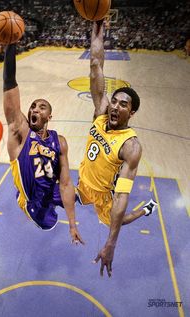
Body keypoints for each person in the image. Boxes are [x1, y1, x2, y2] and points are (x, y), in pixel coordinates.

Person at [76, 20, 157, 277]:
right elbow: (96, 65)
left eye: (124, 105)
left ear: (131, 113)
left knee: (117, 219)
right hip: (83, 181)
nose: (116, 106)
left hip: (104, 195)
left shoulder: (131, 146)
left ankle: (147, 208)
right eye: (115, 100)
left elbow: (122, 195)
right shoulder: (100, 112)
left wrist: (111, 243)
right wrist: (98, 25)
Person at [3, 44, 84, 244]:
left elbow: (64, 182)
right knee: (49, 223)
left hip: (51, 188)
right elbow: (10, 90)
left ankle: (65, 197)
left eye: (42, 107)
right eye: (32, 106)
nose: (35, 110)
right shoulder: (20, 133)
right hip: (34, 203)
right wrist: (10, 46)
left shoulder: (60, 141)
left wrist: (73, 224)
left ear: (49, 116)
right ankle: (27, 199)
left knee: (75, 191)